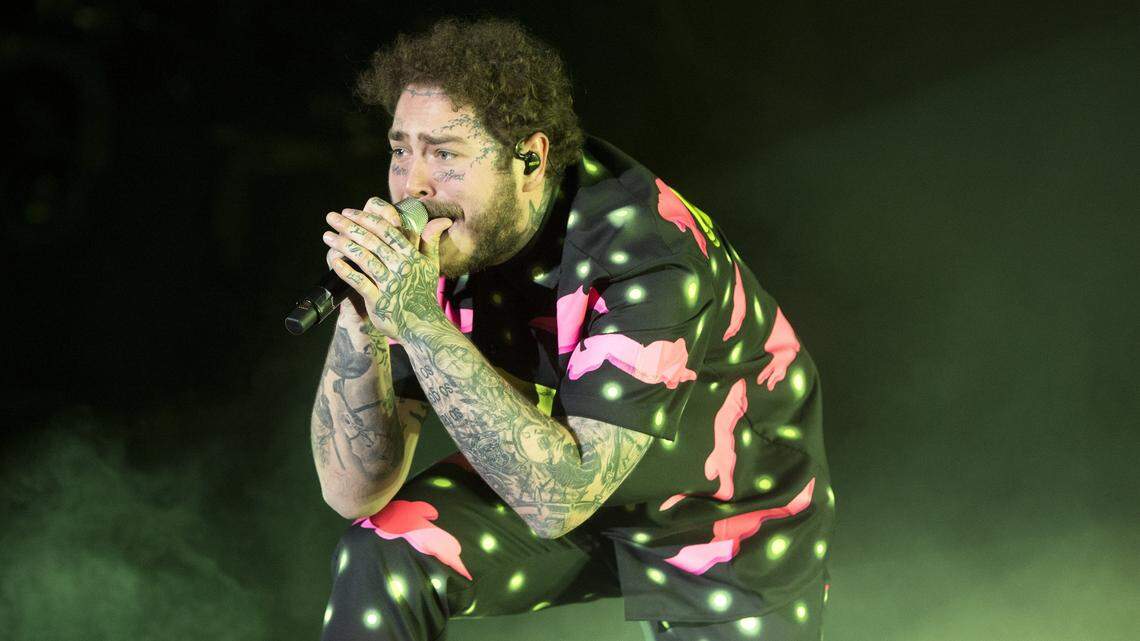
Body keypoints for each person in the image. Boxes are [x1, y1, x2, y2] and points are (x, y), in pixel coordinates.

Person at [309, 17, 835, 641]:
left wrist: (419, 320)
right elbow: (353, 492)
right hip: (564, 476)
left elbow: (558, 499)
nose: (412, 185)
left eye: (445, 155)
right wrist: (363, 310)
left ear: (528, 159)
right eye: (401, 150)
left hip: (726, 514)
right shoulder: (446, 250)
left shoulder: (650, 254)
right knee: (385, 549)